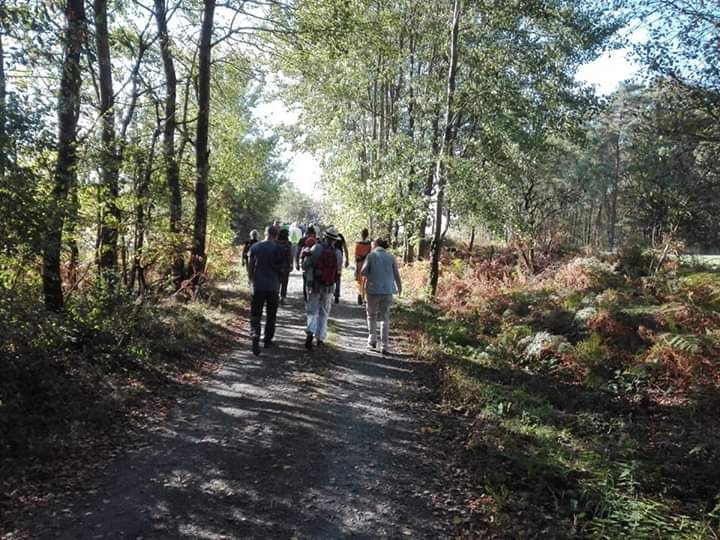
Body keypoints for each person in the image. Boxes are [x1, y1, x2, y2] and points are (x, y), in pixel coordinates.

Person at [361, 238, 402, 355]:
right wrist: (399, 287)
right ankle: (384, 346)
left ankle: (372, 340)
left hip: (373, 290)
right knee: (385, 318)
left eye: (372, 244)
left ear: (376, 245)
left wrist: (372, 274)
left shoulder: (371, 256)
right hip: (387, 290)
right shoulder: (391, 257)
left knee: (371, 315)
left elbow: (363, 272)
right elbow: (396, 274)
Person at [303, 227, 341, 350]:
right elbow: (338, 272)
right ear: (335, 240)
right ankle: (320, 338)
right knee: (324, 312)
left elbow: (306, 265)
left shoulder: (316, 248)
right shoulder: (338, 253)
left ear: (325, 237)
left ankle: (310, 332)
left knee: (312, 310)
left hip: (315, 284)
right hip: (329, 286)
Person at [247, 226, 284, 356]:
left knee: (256, 314)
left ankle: (255, 336)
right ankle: (268, 340)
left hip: (258, 286)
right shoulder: (279, 249)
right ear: (276, 235)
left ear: (265, 233)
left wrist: (251, 280)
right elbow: (283, 268)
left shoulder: (255, 247)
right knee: (271, 315)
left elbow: (250, 266)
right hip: (273, 287)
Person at [296, 225, 317, 301]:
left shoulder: (303, 240)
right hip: (313, 263)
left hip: (305, 263)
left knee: (306, 280)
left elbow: (298, 252)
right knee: (311, 280)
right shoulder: (316, 240)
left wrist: (297, 263)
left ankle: (306, 297)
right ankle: (310, 296)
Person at [354, 228, 372, 305]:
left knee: (360, 280)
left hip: (360, 264)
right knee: (365, 280)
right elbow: (370, 255)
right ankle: (363, 297)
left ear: (361, 235)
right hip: (367, 263)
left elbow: (356, 256)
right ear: (367, 235)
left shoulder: (358, 244)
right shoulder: (369, 245)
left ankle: (360, 295)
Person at [276, 227, 294, 304]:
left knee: (277, 281)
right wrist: (291, 264)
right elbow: (290, 254)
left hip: (276, 265)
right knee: (284, 282)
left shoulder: (275, 242)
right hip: (285, 265)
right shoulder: (288, 244)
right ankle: (282, 298)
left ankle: (275, 296)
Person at [332, 230, 350, 303]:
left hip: (331, 254)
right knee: (338, 275)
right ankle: (336, 294)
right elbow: (345, 248)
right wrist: (347, 259)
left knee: (330, 273)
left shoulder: (329, 236)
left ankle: (329, 292)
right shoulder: (340, 236)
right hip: (339, 256)